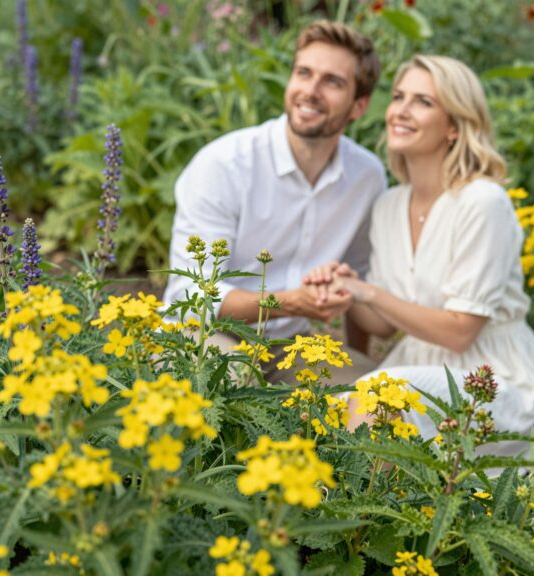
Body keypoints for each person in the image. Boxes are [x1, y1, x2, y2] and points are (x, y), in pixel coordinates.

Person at [305, 55, 534, 452]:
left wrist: (371, 293)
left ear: (454, 125)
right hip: (420, 363)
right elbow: (383, 325)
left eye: (423, 102)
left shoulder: (481, 201)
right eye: (399, 97)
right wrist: (345, 291)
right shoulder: (389, 204)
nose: (401, 111)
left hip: (492, 375)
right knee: (325, 411)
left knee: (377, 397)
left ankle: (366, 511)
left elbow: (460, 331)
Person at [162, 20, 387, 382]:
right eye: (304, 73)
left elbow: (357, 279)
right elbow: (193, 295)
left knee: (373, 396)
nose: (310, 90)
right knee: (235, 379)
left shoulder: (366, 176)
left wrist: (356, 358)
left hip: (291, 348)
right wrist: (291, 302)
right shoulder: (224, 164)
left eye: (332, 81)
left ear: (359, 105)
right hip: (202, 335)